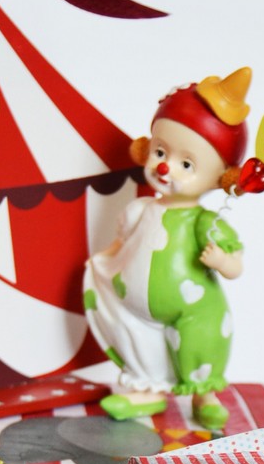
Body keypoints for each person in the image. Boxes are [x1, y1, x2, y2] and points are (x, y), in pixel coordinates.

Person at [84, 68, 253, 431]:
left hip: (194, 311)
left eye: (186, 164)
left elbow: (235, 266)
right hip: (138, 314)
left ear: (222, 177)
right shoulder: (140, 209)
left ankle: (204, 395)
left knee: (197, 343)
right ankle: (147, 389)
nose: (165, 167)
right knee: (140, 344)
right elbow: (122, 243)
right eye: (160, 151)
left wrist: (222, 260)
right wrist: (105, 263)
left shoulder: (203, 222)